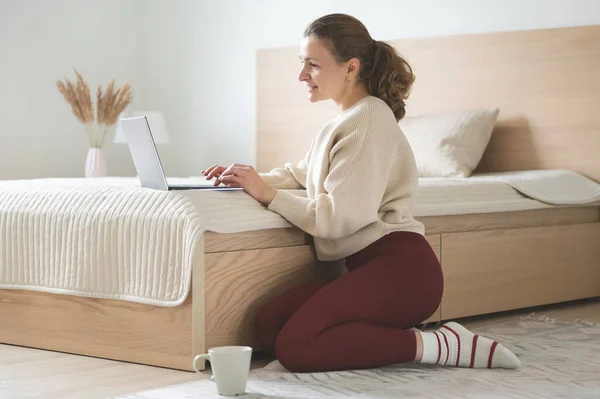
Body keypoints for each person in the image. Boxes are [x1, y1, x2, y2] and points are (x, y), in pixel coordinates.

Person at [202, 13, 520, 373]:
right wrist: (247, 176)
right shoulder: (344, 121)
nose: (301, 75)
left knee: (295, 347)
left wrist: (267, 195)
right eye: (301, 64)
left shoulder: (368, 120)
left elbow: (338, 220)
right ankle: (374, 333)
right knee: (270, 326)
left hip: (403, 272)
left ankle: (437, 344)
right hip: (369, 270)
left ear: (350, 67)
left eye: (313, 65)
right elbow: (300, 173)